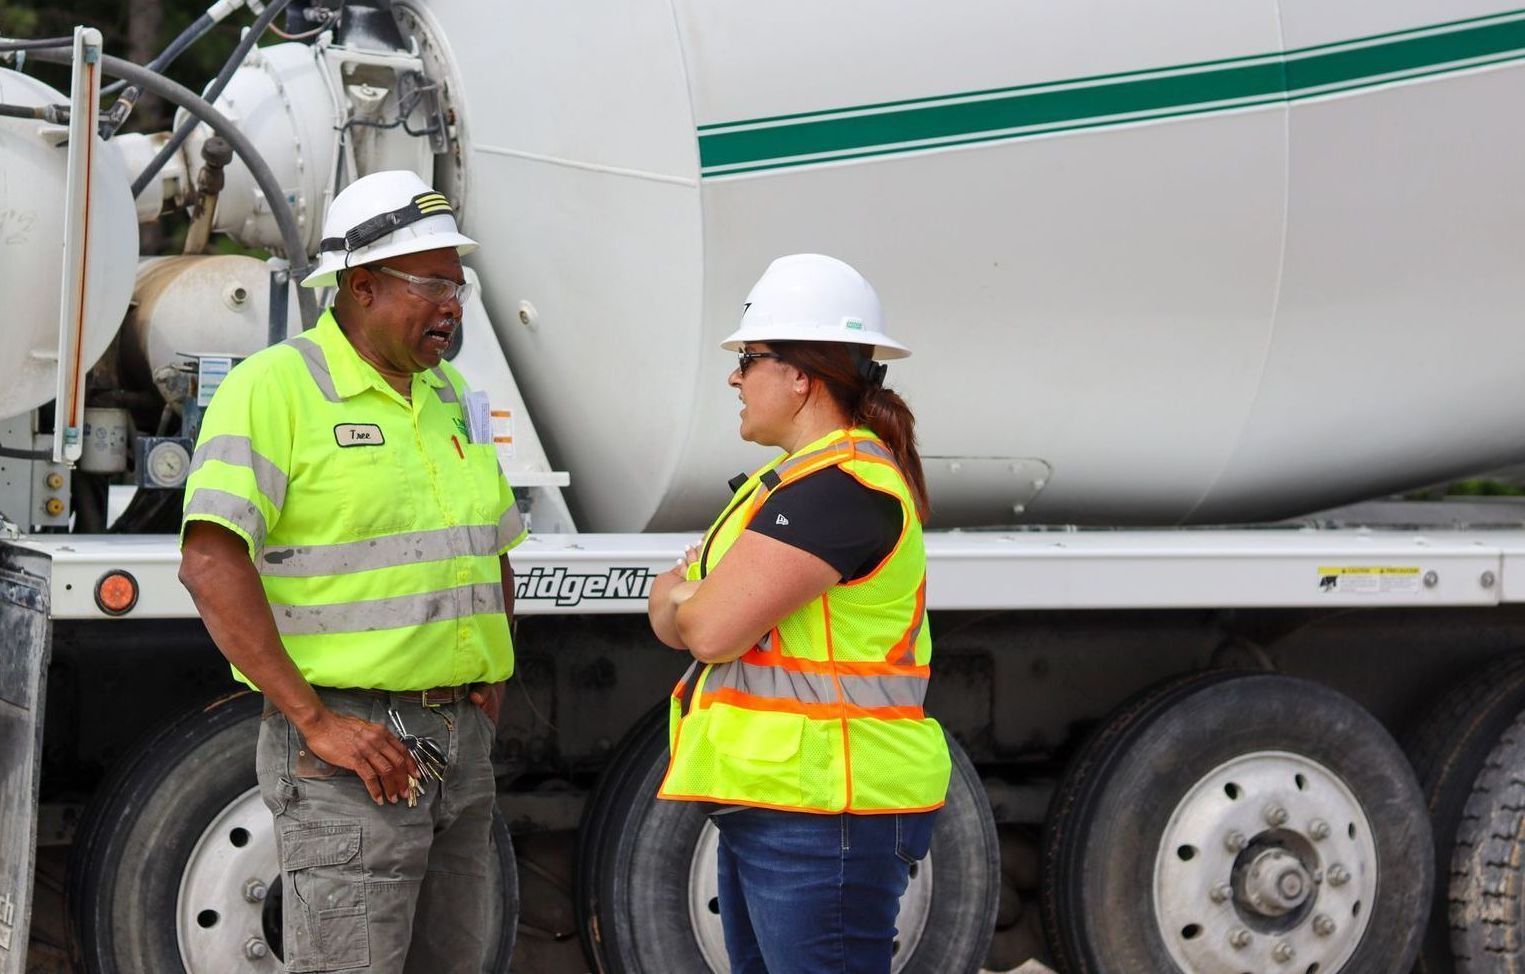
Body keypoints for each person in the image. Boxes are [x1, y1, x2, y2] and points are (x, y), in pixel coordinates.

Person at [178, 169, 526, 974]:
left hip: (457, 746)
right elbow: (209, 560)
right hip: (350, 751)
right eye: (433, 283)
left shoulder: (449, 394)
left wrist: (487, 679)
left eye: (458, 283)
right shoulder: (276, 387)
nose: (453, 304)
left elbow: (493, 546)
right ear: (362, 286)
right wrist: (313, 720)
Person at [648, 253, 951, 973]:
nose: (733, 376)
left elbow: (706, 627)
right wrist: (686, 600)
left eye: (748, 358)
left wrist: (690, 596)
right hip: (790, 804)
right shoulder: (792, 487)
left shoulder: (840, 493)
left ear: (800, 375)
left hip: (826, 810)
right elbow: (673, 612)